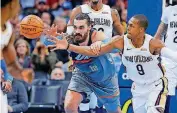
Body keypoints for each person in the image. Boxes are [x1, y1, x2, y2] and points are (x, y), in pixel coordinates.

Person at [47, 14, 177, 113]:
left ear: (141, 30)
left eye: (132, 25)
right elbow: (53, 44)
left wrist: (99, 44)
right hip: (135, 87)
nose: (128, 27)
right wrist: (55, 39)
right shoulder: (121, 41)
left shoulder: (152, 43)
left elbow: (173, 56)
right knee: (69, 106)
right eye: (129, 24)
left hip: (150, 84)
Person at [46, 13, 122, 113]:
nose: (77, 31)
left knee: (114, 111)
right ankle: (85, 100)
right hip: (82, 76)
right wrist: (49, 37)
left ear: (90, 27)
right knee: (69, 107)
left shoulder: (98, 36)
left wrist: (103, 44)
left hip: (105, 79)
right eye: (75, 27)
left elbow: (117, 45)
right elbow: (48, 44)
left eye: (81, 27)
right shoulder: (69, 38)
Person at [1, 0, 33, 113]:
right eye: (18, 5)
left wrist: (20, 72)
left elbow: (9, 63)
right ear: (11, 5)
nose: (19, 10)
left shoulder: (9, 30)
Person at [154, 3, 177, 113]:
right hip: (169, 58)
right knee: (165, 92)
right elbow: (161, 31)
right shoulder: (169, 10)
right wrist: (152, 47)